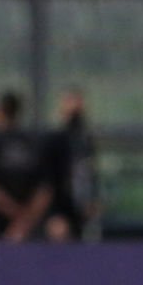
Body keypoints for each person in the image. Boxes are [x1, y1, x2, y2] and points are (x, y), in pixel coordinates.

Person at [0, 90, 52, 241]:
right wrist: (24, 219)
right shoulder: (32, 142)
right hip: (23, 224)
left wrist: (13, 212)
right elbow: (45, 188)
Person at [43, 86, 100, 242]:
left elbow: (90, 173)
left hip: (80, 207)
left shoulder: (85, 141)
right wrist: (52, 214)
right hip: (59, 208)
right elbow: (48, 181)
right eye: (70, 102)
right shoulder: (55, 140)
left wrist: (92, 199)